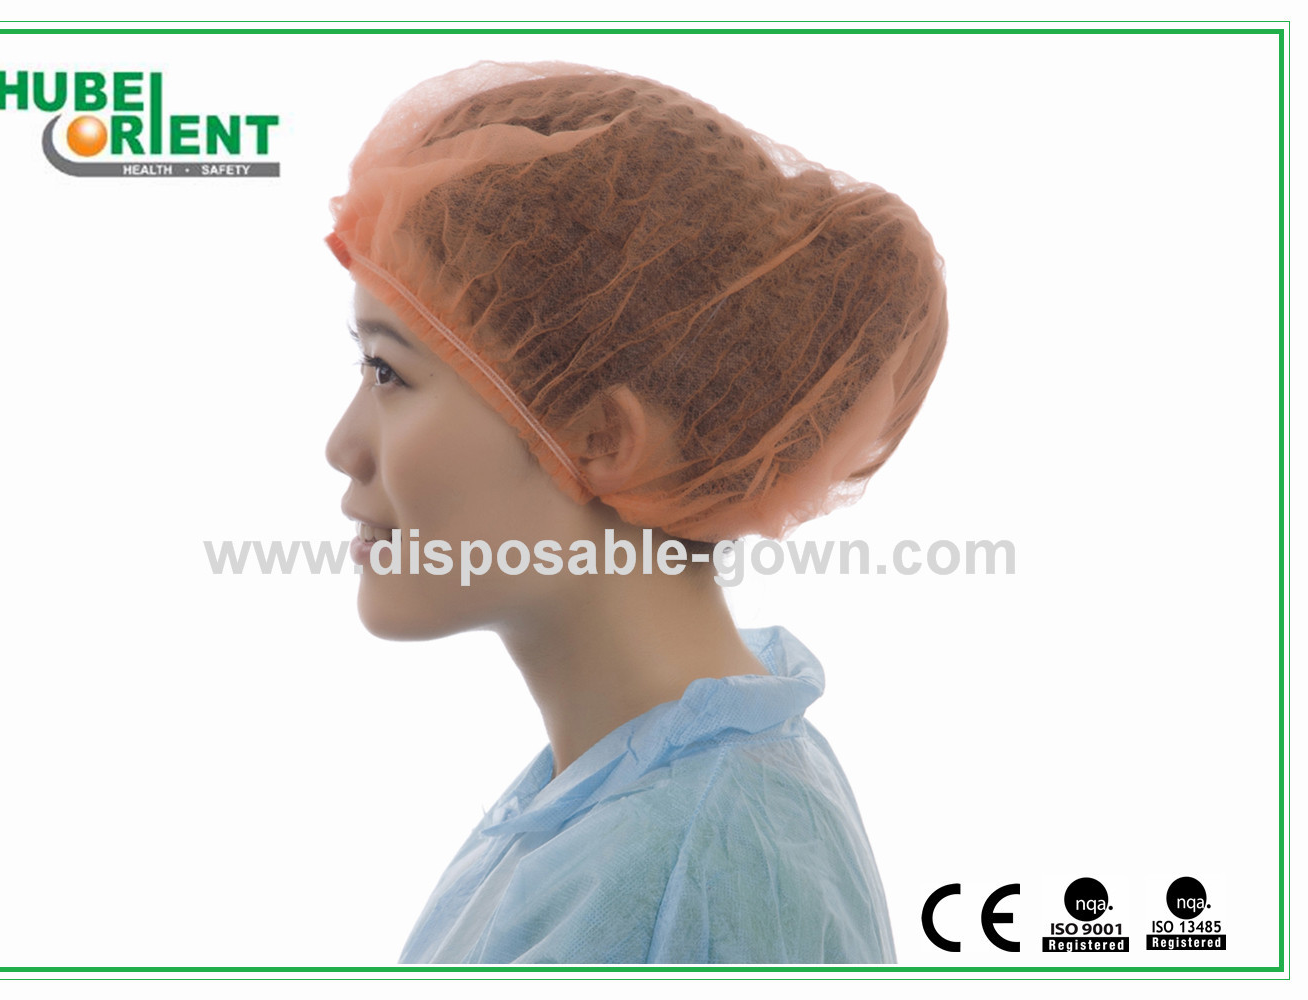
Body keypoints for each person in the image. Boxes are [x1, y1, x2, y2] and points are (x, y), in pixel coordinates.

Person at [324, 61, 947, 965]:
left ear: (600, 436)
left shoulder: (692, 869)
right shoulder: (620, 793)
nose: (342, 446)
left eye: (389, 372)